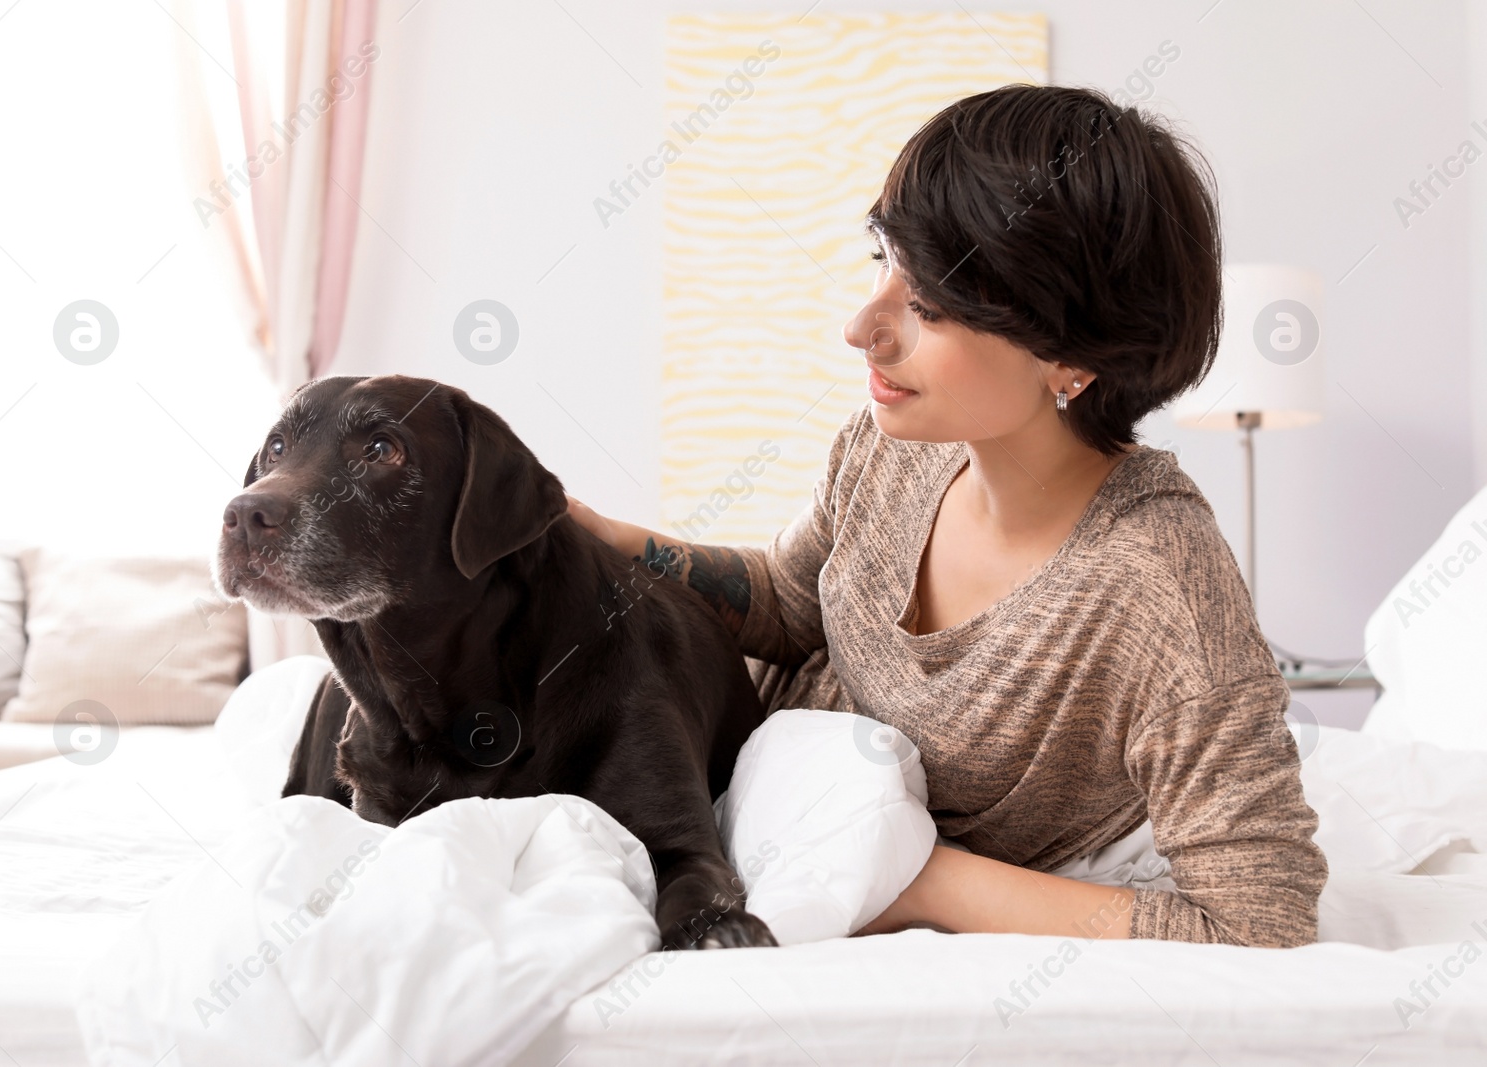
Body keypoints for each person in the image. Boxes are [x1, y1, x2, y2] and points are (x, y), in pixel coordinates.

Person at [568, 84, 1326, 947]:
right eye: (881, 262)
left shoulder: (1156, 585)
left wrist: (926, 882)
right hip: (732, 803)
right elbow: (788, 599)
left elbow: (1262, 919)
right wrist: (614, 541)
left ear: (1069, 355)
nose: (864, 326)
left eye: (928, 304)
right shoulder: (897, 443)